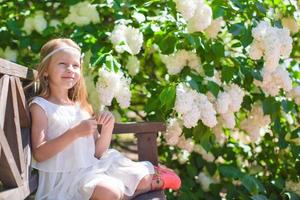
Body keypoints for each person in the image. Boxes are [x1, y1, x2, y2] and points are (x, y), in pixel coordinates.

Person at [29, 38, 181, 200]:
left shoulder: (80, 107)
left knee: (140, 179)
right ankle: (152, 182)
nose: (70, 70)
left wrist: (108, 128)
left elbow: (97, 153)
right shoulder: (41, 107)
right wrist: (74, 133)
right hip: (65, 180)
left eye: (75, 65)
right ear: (45, 70)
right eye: (62, 64)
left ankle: (151, 180)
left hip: (91, 169)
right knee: (111, 192)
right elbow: (40, 153)